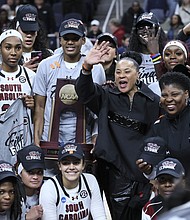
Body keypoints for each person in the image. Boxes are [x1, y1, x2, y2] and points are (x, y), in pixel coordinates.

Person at [75, 43, 161, 220]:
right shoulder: (106, 94)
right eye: (118, 72)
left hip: (141, 175)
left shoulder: (153, 101)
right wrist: (86, 67)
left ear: (137, 75)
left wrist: (153, 173)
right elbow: (83, 92)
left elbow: (156, 137)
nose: (121, 75)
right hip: (113, 173)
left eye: (127, 71)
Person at [33, 18, 106, 146]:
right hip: (50, 138)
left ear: (83, 40)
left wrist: (96, 136)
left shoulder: (96, 68)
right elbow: (40, 106)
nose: (70, 42)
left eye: (75, 38)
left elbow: (99, 109)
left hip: (85, 138)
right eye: (66, 38)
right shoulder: (45, 65)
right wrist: (37, 139)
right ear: (60, 40)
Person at [39, 142, 107, 219]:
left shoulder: (90, 181)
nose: (71, 167)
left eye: (76, 163)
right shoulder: (49, 188)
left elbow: (99, 216)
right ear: (59, 166)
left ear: (83, 165)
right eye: (66, 163)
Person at [145, 72, 190, 188]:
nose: (169, 99)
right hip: (171, 194)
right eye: (164, 95)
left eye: (174, 94)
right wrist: (148, 170)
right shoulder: (158, 126)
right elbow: (153, 170)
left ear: (186, 94)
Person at [8, 4, 52, 72]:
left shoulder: (48, 56)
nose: (29, 35)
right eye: (25, 31)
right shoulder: (5, 57)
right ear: (16, 30)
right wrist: (22, 71)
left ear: (37, 32)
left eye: (32, 31)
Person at [128, 12, 167, 85]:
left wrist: (155, 55)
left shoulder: (167, 55)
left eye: (150, 27)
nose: (145, 30)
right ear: (136, 33)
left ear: (158, 30)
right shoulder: (130, 58)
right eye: (141, 28)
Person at [16, 144, 45, 220]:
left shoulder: (47, 191)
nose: (35, 177)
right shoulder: (11, 194)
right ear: (19, 172)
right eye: (30, 172)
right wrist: (26, 218)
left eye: (39, 172)